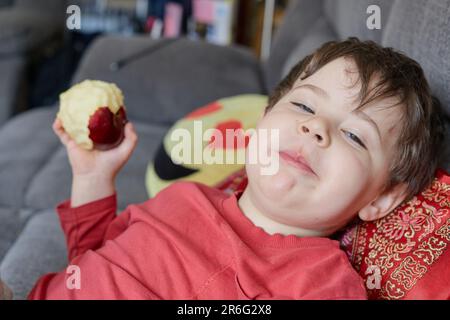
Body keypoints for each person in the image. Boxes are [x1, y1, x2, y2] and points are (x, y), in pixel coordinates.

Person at [23, 38, 444, 300]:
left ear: (382, 197)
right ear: (262, 122)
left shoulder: (320, 285)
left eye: (355, 136)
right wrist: (94, 177)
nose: (316, 128)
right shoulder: (182, 198)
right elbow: (90, 266)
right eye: (303, 105)